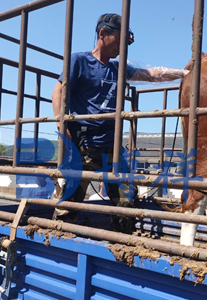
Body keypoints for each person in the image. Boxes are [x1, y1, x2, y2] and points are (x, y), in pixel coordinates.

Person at [52, 13, 187, 233]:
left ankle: (122, 245)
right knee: (68, 204)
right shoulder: (80, 61)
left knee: (125, 202)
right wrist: (62, 125)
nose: (123, 47)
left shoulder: (118, 68)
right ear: (103, 34)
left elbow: (152, 74)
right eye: (120, 40)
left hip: (111, 148)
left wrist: (183, 73)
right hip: (81, 144)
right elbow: (58, 91)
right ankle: (56, 242)